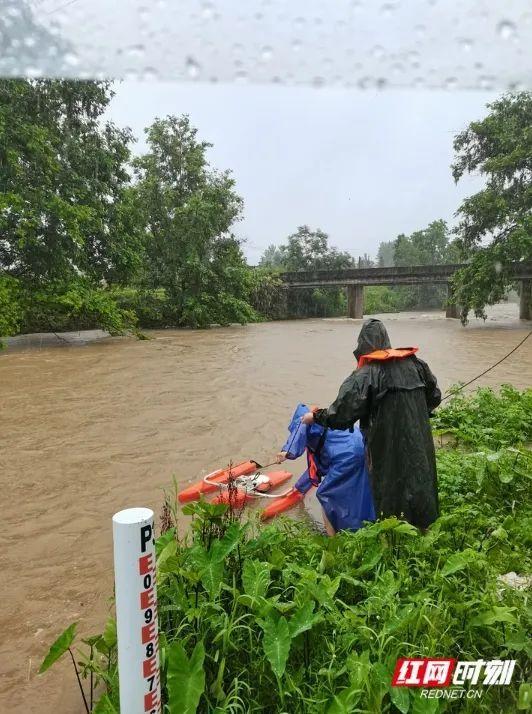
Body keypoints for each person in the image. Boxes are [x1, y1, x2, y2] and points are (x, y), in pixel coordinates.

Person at [301, 319, 441, 530]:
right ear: (386, 340)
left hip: (385, 447)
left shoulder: (365, 375)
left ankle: (395, 543)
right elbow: (435, 397)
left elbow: (340, 415)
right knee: (421, 483)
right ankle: (425, 536)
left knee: (390, 490)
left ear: (362, 345)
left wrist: (316, 416)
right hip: (419, 441)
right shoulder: (417, 365)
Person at [276, 403, 375, 535]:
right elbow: (318, 469)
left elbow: (299, 433)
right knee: (360, 491)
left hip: (347, 456)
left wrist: (286, 453)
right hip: (364, 450)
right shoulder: (324, 425)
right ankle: (365, 528)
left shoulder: (309, 428)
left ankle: (332, 539)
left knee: (325, 494)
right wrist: (299, 489)